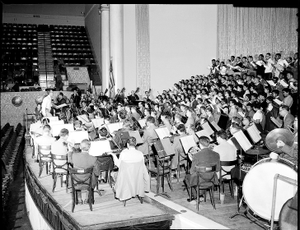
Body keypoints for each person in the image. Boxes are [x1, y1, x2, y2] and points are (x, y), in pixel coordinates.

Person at [183, 136, 220, 202]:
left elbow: (191, 171)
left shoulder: (196, 155)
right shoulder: (216, 154)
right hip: (212, 179)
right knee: (201, 175)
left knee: (187, 177)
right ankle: (201, 194)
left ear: (200, 144)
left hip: (200, 179)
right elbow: (217, 169)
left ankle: (195, 196)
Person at [71, 139, 97, 204]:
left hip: (76, 181)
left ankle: (79, 199)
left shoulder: (74, 156)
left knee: (77, 174)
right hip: (88, 182)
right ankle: (87, 198)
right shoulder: (93, 158)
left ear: (80, 147)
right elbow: (97, 172)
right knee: (93, 174)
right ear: (89, 148)